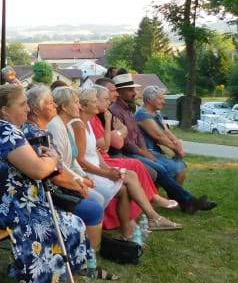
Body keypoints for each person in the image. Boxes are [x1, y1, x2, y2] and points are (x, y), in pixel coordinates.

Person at [0, 84, 90, 283]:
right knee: (53, 224)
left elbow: (32, 165)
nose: (28, 109)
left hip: (3, 203)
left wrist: (46, 160)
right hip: (6, 206)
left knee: (71, 222)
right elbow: (38, 170)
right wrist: (52, 159)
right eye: (22, 104)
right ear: (5, 110)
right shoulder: (4, 132)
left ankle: (53, 272)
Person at [24, 84, 113, 279]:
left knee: (95, 201)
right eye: (50, 103)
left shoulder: (44, 130)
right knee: (94, 208)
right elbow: (53, 173)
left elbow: (63, 164)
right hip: (45, 194)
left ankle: (87, 254)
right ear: (36, 110)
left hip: (51, 189)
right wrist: (78, 184)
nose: (54, 105)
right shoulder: (37, 133)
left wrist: (79, 181)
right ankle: (87, 262)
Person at [74, 86, 181, 237]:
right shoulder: (79, 125)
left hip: (99, 166)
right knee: (135, 172)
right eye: (95, 100)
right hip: (88, 172)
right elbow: (84, 159)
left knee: (133, 173)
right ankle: (150, 216)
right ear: (84, 105)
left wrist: (107, 168)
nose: (103, 102)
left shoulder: (88, 122)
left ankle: (146, 219)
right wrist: (106, 172)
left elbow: (98, 151)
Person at [107, 74, 216, 214]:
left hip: (138, 151)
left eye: (134, 89)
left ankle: (187, 202)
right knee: (161, 168)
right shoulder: (115, 111)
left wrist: (145, 150)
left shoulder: (128, 109)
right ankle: (188, 201)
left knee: (164, 167)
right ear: (119, 92)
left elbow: (138, 135)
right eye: (130, 90)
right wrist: (143, 152)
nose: (134, 93)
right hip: (126, 153)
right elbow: (125, 141)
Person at [136, 85, 187, 182]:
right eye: (160, 99)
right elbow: (159, 137)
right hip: (149, 152)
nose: (163, 102)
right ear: (149, 100)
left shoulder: (156, 113)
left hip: (159, 151)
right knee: (179, 169)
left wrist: (177, 142)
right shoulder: (142, 115)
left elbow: (166, 131)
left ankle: (174, 191)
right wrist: (177, 149)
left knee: (180, 167)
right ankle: (175, 191)